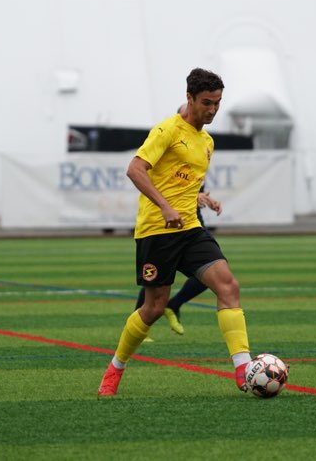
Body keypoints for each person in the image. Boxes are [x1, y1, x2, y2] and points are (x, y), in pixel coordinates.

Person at [98, 68, 253, 396]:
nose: (212, 110)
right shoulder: (167, 130)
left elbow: (177, 181)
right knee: (153, 308)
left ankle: (244, 368)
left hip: (191, 229)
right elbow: (135, 170)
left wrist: (200, 197)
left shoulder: (207, 141)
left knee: (228, 286)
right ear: (189, 98)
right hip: (156, 231)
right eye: (207, 103)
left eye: (218, 103)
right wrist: (166, 207)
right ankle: (115, 368)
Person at [135, 186, 220, 337]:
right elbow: (165, 184)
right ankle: (139, 328)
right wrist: (194, 197)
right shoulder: (161, 163)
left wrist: (205, 199)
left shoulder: (203, 162)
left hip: (193, 222)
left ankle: (174, 304)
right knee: (158, 279)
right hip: (166, 223)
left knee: (215, 273)